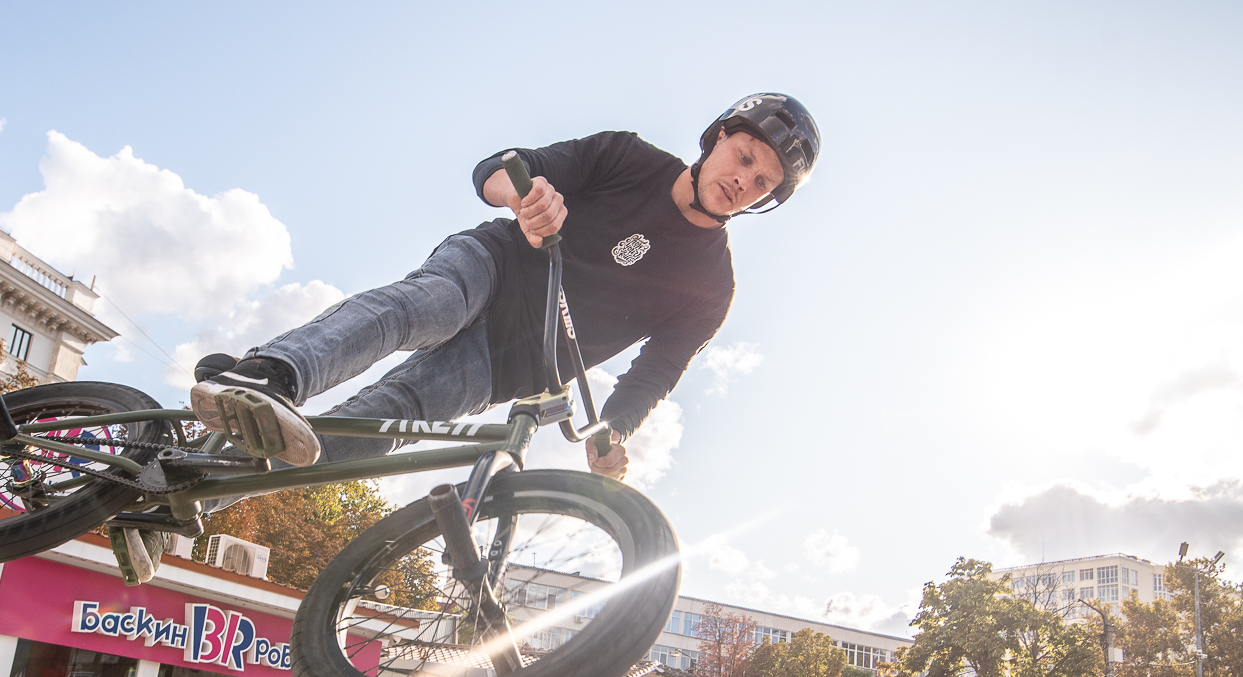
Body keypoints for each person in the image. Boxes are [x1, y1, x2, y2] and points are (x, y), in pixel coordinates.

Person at [186, 98, 821, 478]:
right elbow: (500, 168)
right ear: (718, 137)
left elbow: (655, 373)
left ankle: (199, 484)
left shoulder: (712, 287)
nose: (743, 182)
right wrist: (523, 196)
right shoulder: (627, 157)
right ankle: (269, 375)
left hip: (510, 363)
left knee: (381, 423)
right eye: (744, 158)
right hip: (493, 268)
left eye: (762, 183)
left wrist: (615, 433)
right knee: (428, 306)